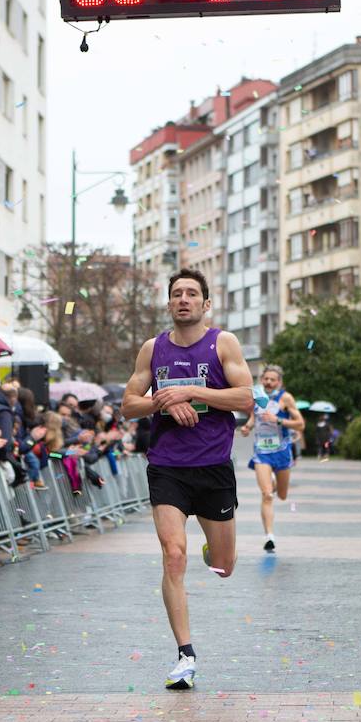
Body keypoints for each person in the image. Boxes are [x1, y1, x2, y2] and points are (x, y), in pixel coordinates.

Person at [121, 268, 254, 691]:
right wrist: (162, 399)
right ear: (168, 304)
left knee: (223, 565)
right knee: (172, 555)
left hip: (213, 467)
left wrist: (193, 393)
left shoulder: (223, 343)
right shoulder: (152, 349)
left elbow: (247, 399)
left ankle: (211, 546)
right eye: (176, 294)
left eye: (191, 294)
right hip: (168, 467)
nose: (183, 300)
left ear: (205, 303)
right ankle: (185, 655)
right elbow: (127, 405)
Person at [236, 364, 304, 553]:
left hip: (282, 452)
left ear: (279, 382)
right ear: (262, 380)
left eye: (273, 379)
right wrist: (247, 427)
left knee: (281, 495)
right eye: (266, 379)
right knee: (266, 495)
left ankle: (274, 483)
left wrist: (279, 420)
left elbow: (300, 424)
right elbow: (253, 417)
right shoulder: (257, 396)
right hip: (261, 452)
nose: (268, 382)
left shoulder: (286, 398)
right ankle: (269, 536)